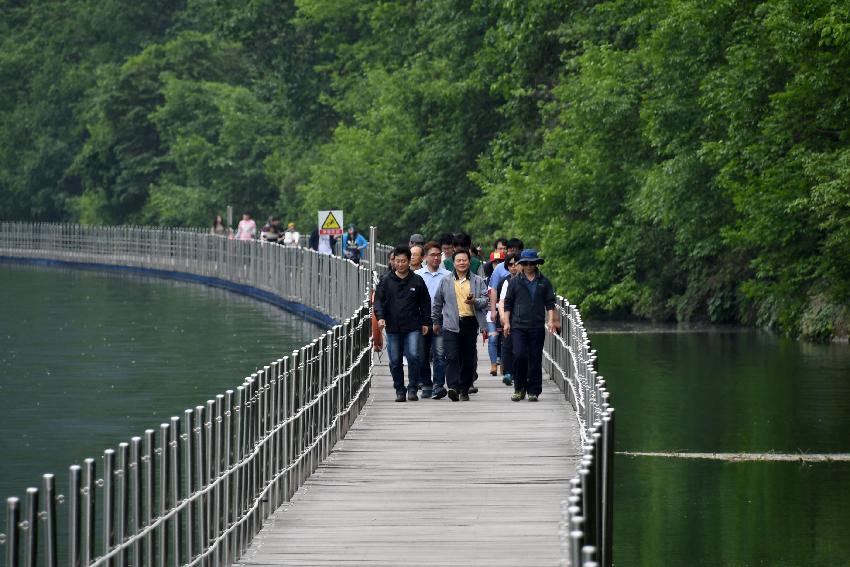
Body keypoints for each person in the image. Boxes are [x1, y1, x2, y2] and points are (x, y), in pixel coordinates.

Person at [374, 246, 432, 402]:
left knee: (414, 356)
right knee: (395, 360)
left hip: (413, 325)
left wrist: (426, 321)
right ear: (393, 262)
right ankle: (400, 389)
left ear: (409, 261)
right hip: (393, 326)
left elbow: (425, 302)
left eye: (403, 261)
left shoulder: (417, 280)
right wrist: (380, 317)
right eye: (397, 261)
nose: (400, 264)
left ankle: (413, 388)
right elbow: (378, 301)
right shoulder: (385, 281)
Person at [502, 249, 560, 402]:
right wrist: (506, 322)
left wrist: (551, 320)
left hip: (536, 325)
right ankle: (519, 388)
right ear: (522, 264)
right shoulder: (515, 281)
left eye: (532, 263)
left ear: (536, 264)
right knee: (519, 355)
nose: (529, 266)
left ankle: (533, 390)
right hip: (518, 325)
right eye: (526, 263)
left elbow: (550, 303)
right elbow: (508, 302)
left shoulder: (544, 282)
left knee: (535, 359)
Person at [432, 248, 488, 402]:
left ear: (469, 262)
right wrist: (435, 321)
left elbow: (485, 301)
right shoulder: (446, 281)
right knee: (451, 356)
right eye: (459, 260)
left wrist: (474, 301)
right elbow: (437, 303)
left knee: (468, 358)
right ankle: (453, 387)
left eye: (464, 260)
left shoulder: (477, 281)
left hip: (470, 323)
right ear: (454, 263)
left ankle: (464, 388)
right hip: (450, 324)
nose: (462, 263)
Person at [415, 241, 451, 399]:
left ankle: (438, 385)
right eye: (433, 255)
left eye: (438, 255)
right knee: (421, 355)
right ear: (425, 257)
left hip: (441, 319)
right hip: (422, 319)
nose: (436, 258)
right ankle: (426, 384)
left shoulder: (448, 275)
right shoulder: (417, 276)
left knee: (439, 353)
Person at [496, 253, 520, 386]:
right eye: (510, 264)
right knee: (507, 345)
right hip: (510, 318)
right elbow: (502, 301)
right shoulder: (506, 281)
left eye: (516, 264)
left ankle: (518, 373)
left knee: (520, 348)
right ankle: (508, 373)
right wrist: (503, 318)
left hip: (524, 319)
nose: (514, 267)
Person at [488, 238, 524, 325]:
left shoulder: (526, 267)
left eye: (516, 251)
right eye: (510, 251)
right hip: (504, 308)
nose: (513, 253)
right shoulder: (499, 268)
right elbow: (494, 289)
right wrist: (493, 311)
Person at [485, 250, 506, 375]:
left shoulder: (509, 278)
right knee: (493, 338)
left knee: (504, 339)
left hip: (505, 312)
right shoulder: (487, 280)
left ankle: (503, 364)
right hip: (491, 312)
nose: (497, 264)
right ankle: (493, 364)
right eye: (495, 262)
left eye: (500, 262)